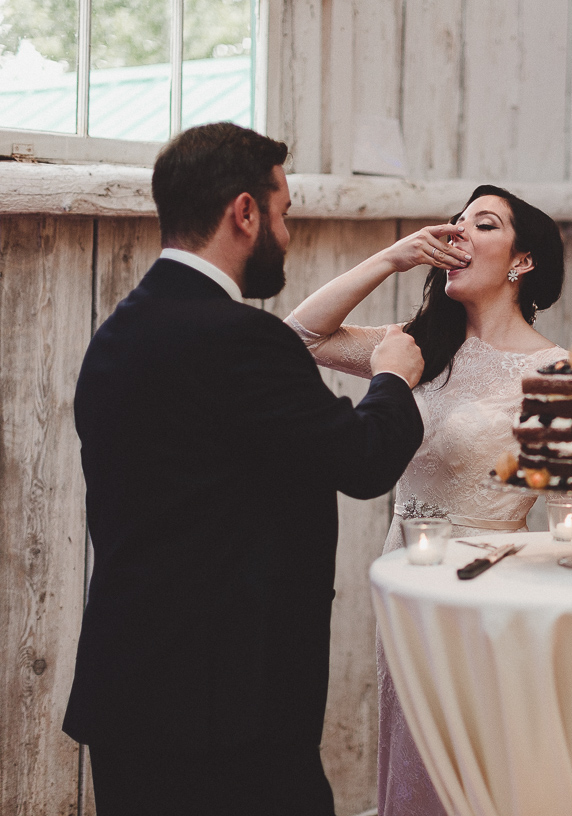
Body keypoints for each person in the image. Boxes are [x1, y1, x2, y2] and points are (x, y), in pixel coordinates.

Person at [65, 122, 426, 816]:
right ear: (245, 212)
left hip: (127, 697)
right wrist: (392, 379)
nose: (287, 235)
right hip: (227, 713)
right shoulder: (241, 340)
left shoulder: (117, 335)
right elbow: (361, 458)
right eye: (285, 213)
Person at [286, 184, 568, 816]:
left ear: (522, 261)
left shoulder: (557, 372)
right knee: (415, 765)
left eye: (485, 225)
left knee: (482, 768)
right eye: (456, 221)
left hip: (492, 596)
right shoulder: (416, 347)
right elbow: (298, 336)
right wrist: (393, 258)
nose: (459, 233)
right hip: (406, 586)